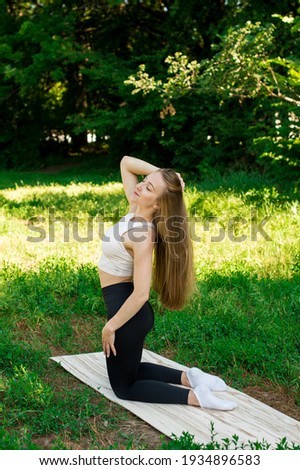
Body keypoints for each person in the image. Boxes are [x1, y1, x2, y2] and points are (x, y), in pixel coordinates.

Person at [98, 156, 237, 411]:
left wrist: (111, 326)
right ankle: (190, 378)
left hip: (127, 313)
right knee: (132, 369)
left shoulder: (142, 233)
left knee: (124, 387)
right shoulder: (135, 208)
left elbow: (141, 294)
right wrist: (162, 175)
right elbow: (126, 163)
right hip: (127, 311)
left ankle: (197, 398)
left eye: (148, 187)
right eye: (144, 182)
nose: (140, 186)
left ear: (160, 204)